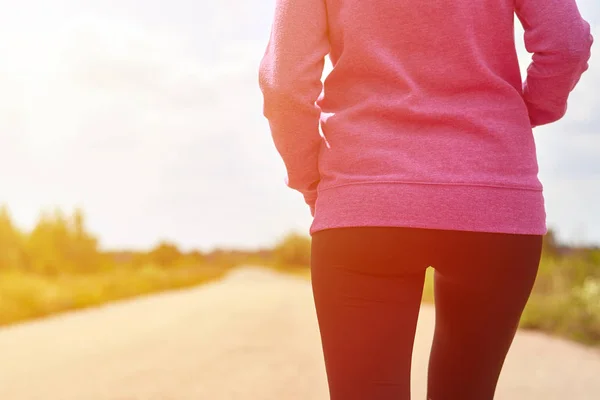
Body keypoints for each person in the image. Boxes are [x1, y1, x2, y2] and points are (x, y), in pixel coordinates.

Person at [258, 0, 593, 398]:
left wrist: (312, 181)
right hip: (494, 198)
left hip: (365, 201)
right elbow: (567, 43)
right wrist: (520, 117)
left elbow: (284, 83)